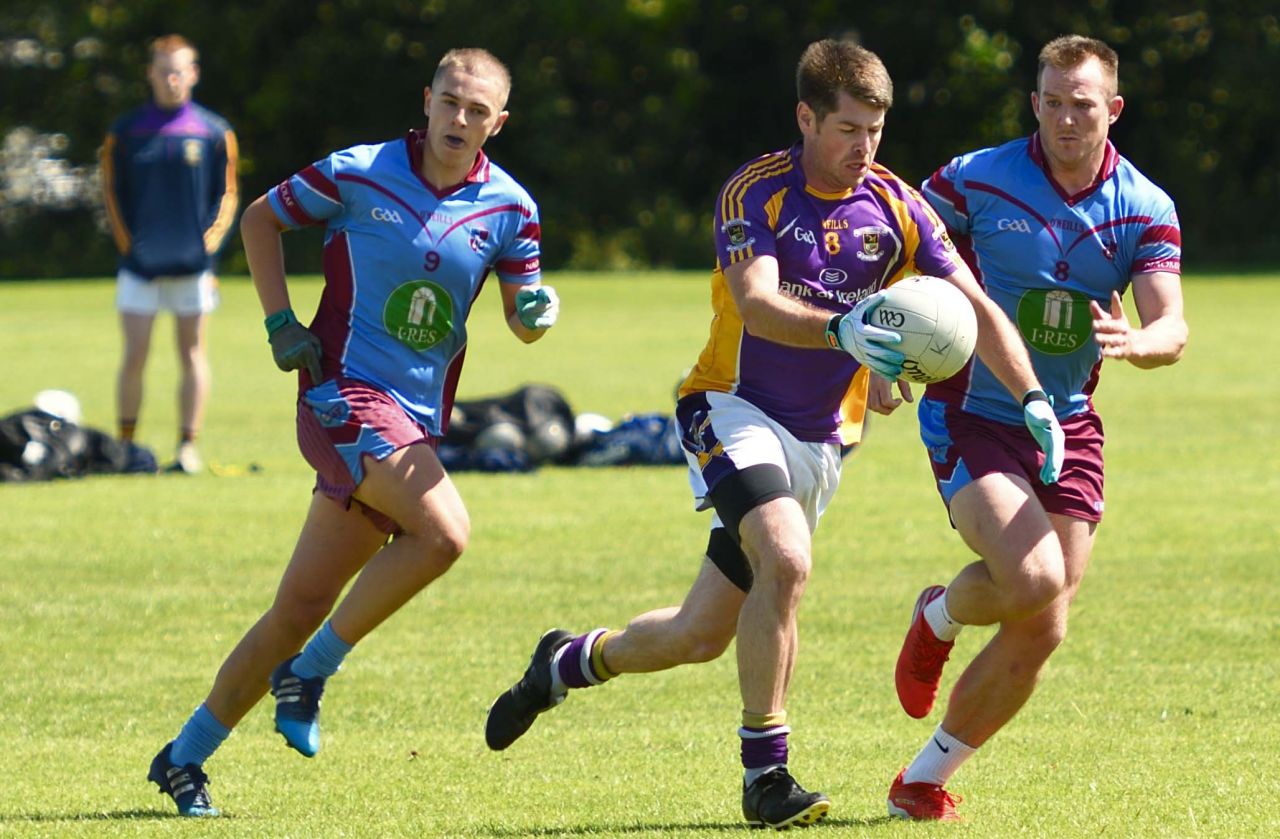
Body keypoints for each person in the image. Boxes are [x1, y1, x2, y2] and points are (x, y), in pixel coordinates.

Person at [485, 39, 1061, 830]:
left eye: (876, 131)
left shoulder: (895, 205)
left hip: (822, 440)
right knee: (786, 556)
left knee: (697, 634)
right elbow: (755, 301)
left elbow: (974, 307)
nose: (864, 148)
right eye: (848, 129)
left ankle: (565, 660)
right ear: (806, 116)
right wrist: (845, 334)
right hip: (729, 407)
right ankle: (767, 776)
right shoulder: (755, 192)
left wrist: (1030, 395)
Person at [146, 47, 559, 817]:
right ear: (427, 100)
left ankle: (184, 755)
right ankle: (311, 673)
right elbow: (262, 219)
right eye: (450, 102)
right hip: (341, 397)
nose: (459, 119)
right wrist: (279, 322)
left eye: (477, 111)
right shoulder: (359, 170)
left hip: (414, 420)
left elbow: (522, 312)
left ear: (498, 124)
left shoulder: (513, 208)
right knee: (444, 533)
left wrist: (535, 312)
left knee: (298, 607)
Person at [886, 35, 1187, 821]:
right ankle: (939, 618)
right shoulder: (974, 176)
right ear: (1035, 103)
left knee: (1042, 626)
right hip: (973, 410)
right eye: (1051, 101)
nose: (1064, 117)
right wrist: (881, 351)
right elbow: (896, 250)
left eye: (1081, 104)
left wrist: (1138, 343)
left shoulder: (1146, 209)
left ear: (1112, 110)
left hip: (1069, 423)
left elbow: (1170, 326)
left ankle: (921, 778)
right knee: (1034, 578)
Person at [100, 34, 239, 474]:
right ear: (150, 73)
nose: (171, 78)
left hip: (193, 269)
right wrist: (130, 248)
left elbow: (228, 195)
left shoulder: (214, 132)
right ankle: (125, 447)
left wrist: (207, 246)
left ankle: (187, 448)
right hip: (138, 269)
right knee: (135, 354)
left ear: (193, 74)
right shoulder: (125, 132)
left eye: (179, 70)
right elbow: (111, 194)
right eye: (163, 70)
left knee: (193, 353)